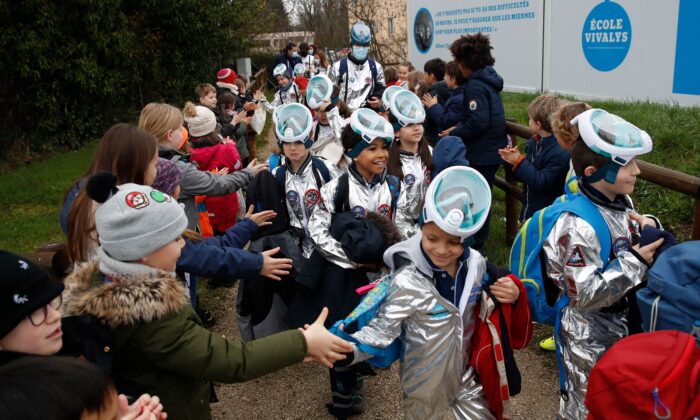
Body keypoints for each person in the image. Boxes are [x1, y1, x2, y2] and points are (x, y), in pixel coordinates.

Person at [62, 176, 353, 420]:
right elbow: (232, 361)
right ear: (145, 251)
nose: (183, 245)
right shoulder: (152, 316)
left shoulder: (109, 280)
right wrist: (303, 343)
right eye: (176, 239)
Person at [336, 166, 530, 419]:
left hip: (468, 375)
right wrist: (345, 351)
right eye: (432, 238)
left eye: (453, 242)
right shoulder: (406, 282)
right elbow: (382, 330)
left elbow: (500, 282)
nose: (441, 250)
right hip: (422, 383)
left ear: (467, 239)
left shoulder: (477, 266)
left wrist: (514, 291)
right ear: (421, 231)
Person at [542, 109, 665, 419]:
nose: (637, 171)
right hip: (588, 335)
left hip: (620, 327)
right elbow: (582, 293)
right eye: (627, 165)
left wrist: (648, 226)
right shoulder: (577, 226)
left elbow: (624, 242)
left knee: (617, 404)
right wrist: (635, 262)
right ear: (593, 172)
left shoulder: (622, 204)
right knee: (588, 406)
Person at [0, 251, 166, 420]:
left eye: (51, 302)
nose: (55, 316)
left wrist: (118, 409)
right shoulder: (13, 405)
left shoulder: (75, 340)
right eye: (35, 312)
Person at [137, 102, 266, 231]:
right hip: (184, 235)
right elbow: (220, 183)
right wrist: (248, 172)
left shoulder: (139, 162)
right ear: (170, 135)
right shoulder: (176, 170)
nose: (184, 132)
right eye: (179, 129)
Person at [308, 108, 410, 269]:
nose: (382, 154)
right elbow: (317, 230)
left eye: (384, 147)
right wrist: (354, 259)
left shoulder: (395, 187)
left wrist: (390, 257)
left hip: (386, 270)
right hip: (347, 275)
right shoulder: (334, 189)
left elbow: (404, 226)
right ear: (353, 152)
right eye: (372, 149)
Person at [444, 33, 508, 251]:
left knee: (478, 198)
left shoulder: (475, 85)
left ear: (466, 62)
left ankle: (476, 243)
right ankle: (478, 240)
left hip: (482, 153)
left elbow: (478, 121)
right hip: (491, 149)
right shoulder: (488, 80)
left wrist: (456, 133)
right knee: (483, 194)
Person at [62, 124, 159, 264]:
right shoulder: (123, 209)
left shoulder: (82, 196)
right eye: (155, 165)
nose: (157, 170)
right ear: (137, 167)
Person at [271, 103, 337, 258]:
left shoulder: (326, 168)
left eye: (299, 142)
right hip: (294, 250)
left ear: (309, 139)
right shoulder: (277, 175)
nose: (293, 148)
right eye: (287, 142)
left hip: (326, 246)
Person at [499, 94, 571, 221]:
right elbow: (527, 176)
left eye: (529, 118)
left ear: (538, 124)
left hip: (547, 215)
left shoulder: (560, 153)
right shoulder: (535, 141)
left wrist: (519, 161)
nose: (528, 120)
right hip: (531, 207)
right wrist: (511, 162)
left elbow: (541, 182)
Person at [184, 102, 242, 234]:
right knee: (229, 240)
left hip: (202, 209)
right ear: (213, 126)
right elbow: (237, 166)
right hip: (224, 206)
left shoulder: (186, 154)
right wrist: (231, 146)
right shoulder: (224, 149)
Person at [386, 89, 433, 238]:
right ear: (396, 132)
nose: (417, 128)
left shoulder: (431, 153)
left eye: (419, 123)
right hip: (398, 229)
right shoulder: (387, 159)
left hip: (429, 223)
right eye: (410, 124)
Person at [328, 22, 386, 112]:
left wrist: (378, 98)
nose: (361, 48)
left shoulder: (376, 67)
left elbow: (381, 87)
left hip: (368, 116)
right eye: (358, 45)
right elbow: (329, 91)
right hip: (343, 117)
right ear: (351, 45)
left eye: (365, 45)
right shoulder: (338, 67)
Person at [307, 75, 346, 168]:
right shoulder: (313, 126)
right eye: (317, 110)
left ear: (338, 106)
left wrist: (332, 112)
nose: (321, 115)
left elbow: (341, 135)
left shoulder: (346, 124)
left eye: (325, 110)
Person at [423, 61, 467, 135]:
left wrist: (434, 106)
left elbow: (446, 121)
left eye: (446, 76)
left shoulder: (459, 99)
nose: (444, 78)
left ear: (453, 79)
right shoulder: (457, 94)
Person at [422, 58, 450, 145]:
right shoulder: (450, 89)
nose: (424, 77)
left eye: (425, 74)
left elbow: (426, 118)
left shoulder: (432, 93)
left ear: (432, 76)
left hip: (433, 138)